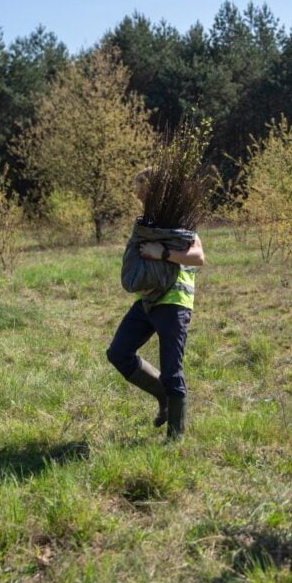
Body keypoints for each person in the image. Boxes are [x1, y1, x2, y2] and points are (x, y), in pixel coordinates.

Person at [106, 171, 205, 440]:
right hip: (147, 301)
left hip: (174, 302)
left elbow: (198, 257)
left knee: (172, 370)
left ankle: (175, 440)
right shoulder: (148, 222)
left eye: (141, 190)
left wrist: (162, 253)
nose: (137, 196)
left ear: (155, 191)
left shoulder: (179, 219)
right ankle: (163, 395)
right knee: (118, 353)